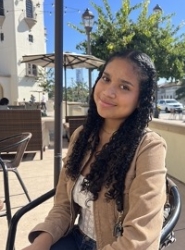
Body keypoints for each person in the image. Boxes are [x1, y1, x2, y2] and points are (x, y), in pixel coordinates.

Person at [22, 50, 167, 250]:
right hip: (76, 238)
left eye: (124, 86)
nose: (108, 91)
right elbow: (63, 207)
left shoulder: (149, 148)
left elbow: (140, 236)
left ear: (140, 100)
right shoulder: (82, 136)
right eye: (105, 79)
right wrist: (41, 243)